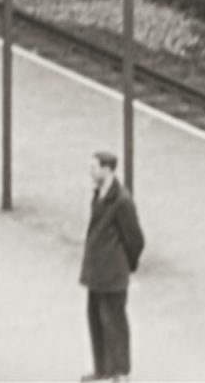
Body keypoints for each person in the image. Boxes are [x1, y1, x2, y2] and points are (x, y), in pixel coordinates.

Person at [81, 150, 144, 382]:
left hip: (112, 275)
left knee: (114, 323)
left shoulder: (122, 201)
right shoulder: (99, 195)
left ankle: (120, 373)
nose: (90, 172)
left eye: (94, 168)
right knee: (96, 320)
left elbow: (135, 239)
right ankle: (103, 369)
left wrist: (128, 265)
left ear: (107, 170)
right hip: (96, 274)